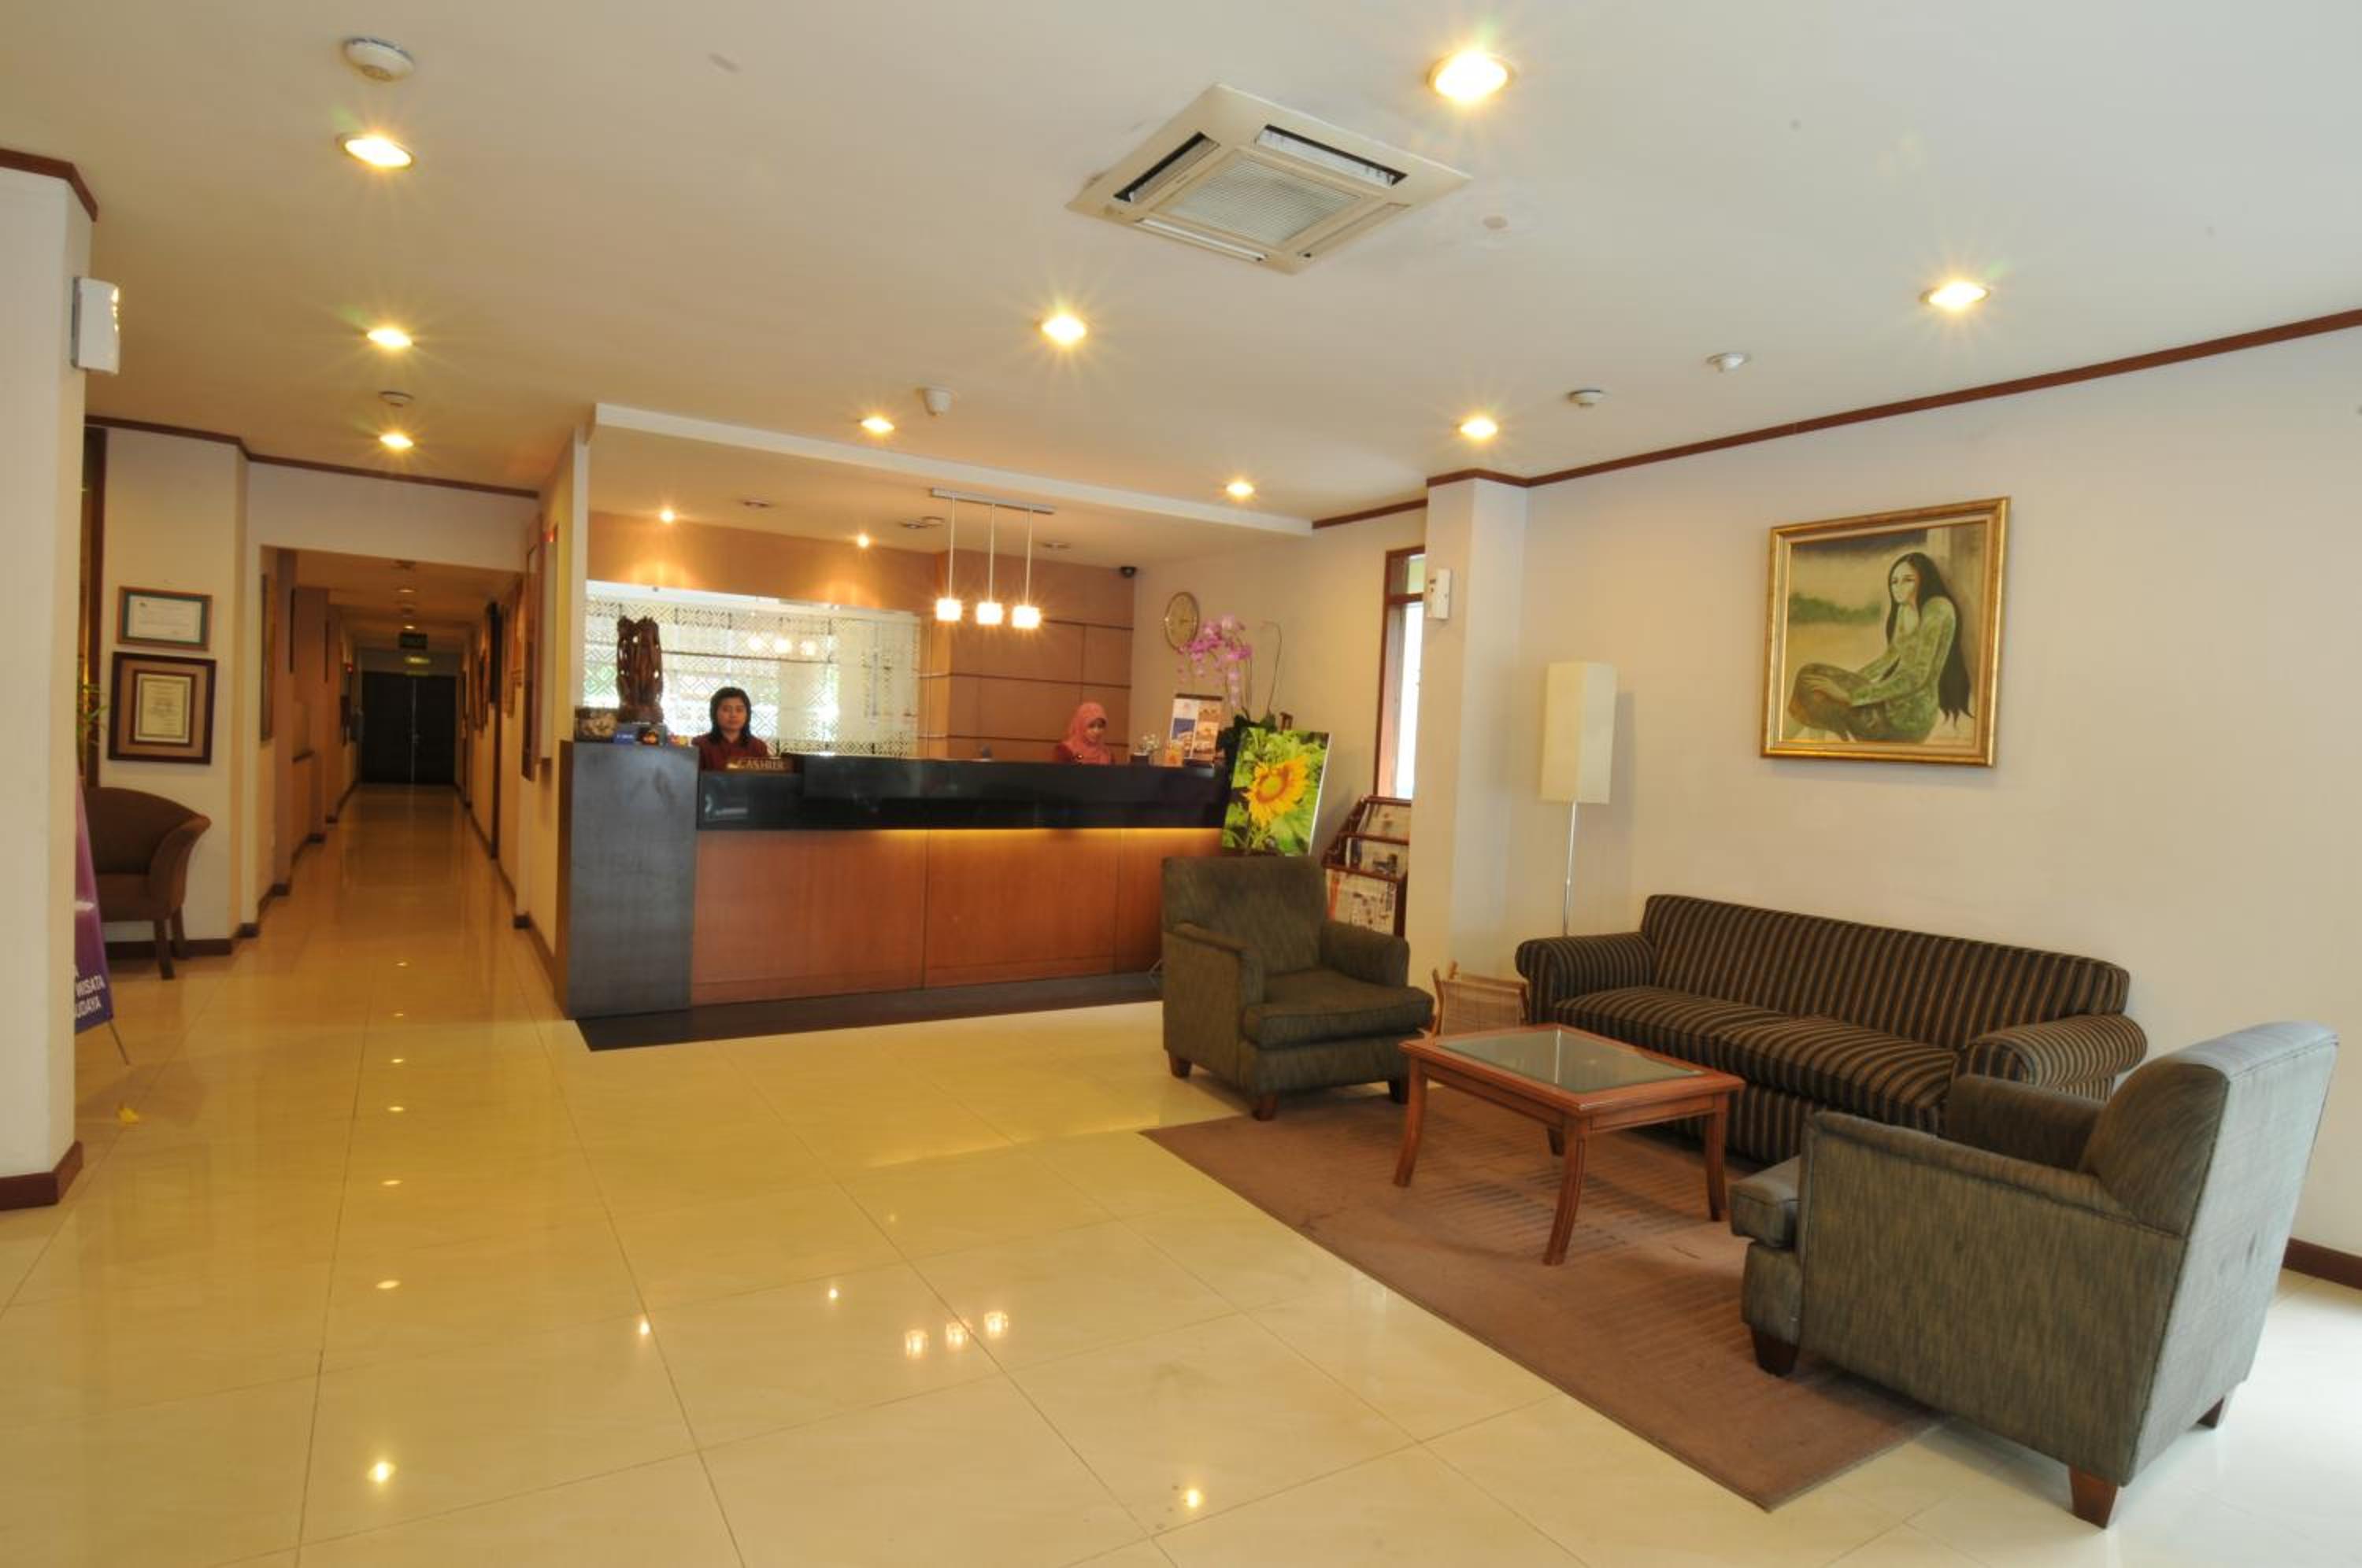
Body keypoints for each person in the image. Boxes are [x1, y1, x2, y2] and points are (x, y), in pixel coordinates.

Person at [1786, 551, 1972, 743]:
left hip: (1906, 720)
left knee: (1816, 686)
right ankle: (1805, 745)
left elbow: (1917, 676)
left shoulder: (1939, 608)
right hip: (1889, 701)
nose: (1898, 588)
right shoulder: (1905, 609)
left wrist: (1851, 696)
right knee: (1812, 674)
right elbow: (1888, 659)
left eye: (1908, 580)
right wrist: (1845, 684)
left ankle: (1789, 742)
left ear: (1924, 580)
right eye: (1894, 582)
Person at [694, 686, 772, 771]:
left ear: (747, 714)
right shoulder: (701, 745)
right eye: (726, 709)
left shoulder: (758, 747)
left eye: (739, 710)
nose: (733, 715)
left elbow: (766, 779)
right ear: (714, 713)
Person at [1053, 700, 1113, 764]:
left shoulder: (1107, 754)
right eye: (1091, 726)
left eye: (1100, 726)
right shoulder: (1065, 751)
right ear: (1080, 726)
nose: (1096, 731)